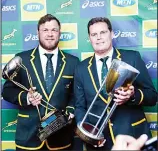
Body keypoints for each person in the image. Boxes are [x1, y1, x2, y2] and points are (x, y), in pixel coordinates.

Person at [74, 17, 157, 150]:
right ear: (89, 38)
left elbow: (152, 96)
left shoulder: (132, 58)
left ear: (112, 34)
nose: (99, 37)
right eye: (94, 34)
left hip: (132, 138)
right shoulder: (81, 68)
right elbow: (80, 106)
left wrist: (132, 95)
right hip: (100, 142)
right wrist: (89, 135)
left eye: (103, 32)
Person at [2, 14, 79, 151]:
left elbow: (77, 95)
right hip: (28, 136)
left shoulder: (73, 62)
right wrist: (27, 98)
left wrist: (70, 112)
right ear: (38, 33)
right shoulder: (21, 59)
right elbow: (7, 91)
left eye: (54, 30)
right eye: (45, 30)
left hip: (60, 137)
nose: (50, 34)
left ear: (59, 33)